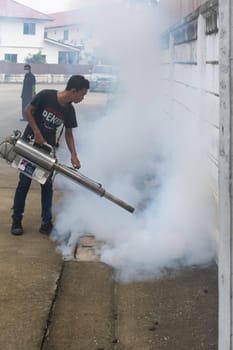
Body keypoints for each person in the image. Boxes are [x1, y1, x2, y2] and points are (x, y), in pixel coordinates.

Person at [11, 75, 89, 236]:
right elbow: (28, 111)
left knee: (46, 186)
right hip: (30, 146)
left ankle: (46, 223)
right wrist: (37, 132)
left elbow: (68, 134)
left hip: (47, 151)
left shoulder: (69, 110)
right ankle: (16, 220)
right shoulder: (46, 95)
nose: (82, 98)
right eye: (82, 94)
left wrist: (74, 155)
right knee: (24, 183)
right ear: (73, 91)